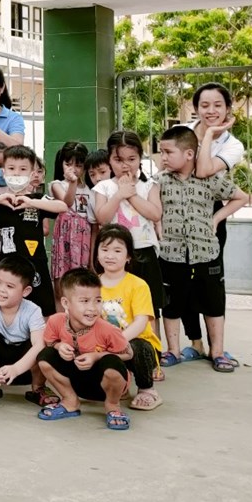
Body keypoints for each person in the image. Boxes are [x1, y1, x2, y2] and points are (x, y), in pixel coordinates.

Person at [156, 125, 247, 373]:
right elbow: (154, 208)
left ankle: (217, 351)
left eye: (168, 152)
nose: (163, 157)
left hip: (206, 251)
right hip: (171, 252)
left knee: (212, 302)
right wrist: (158, 226)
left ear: (188, 154)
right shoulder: (160, 181)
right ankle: (173, 350)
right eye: (161, 152)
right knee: (172, 303)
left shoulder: (209, 180)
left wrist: (217, 218)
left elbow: (241, 197)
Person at [184, 82, 247, 362]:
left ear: (228, 109)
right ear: (196, 108)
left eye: (218, 105)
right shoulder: (182, 132)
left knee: (211, 284)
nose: (211, 110)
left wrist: (217, 218)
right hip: (177, 212)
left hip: (209, 212)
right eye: (205, 105)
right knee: (183, 281)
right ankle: (195, 343)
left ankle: (217, 350)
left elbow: (203, 170)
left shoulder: (233, 145)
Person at [36, 267, 134, 430]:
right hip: (76, 381)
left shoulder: (108, 329)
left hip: (105, 385)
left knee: (112, 362)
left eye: (98, 300)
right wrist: (59, 346)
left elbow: (129, 354)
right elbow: (50, 342)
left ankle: (112, 406)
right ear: (66, 303)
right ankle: (70, 401)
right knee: (45, 356)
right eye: (84, 301)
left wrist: (97, 356)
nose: (93, 308)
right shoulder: (56, 321)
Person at [0, 145, 68, 317]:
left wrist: (31, 202)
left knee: (43, 310)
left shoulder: (38, 199)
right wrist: (0, 199)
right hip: (7, 265)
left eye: (23, 169)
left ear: (31, 174)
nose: (16, 174)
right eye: (11, 168)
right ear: (4, 172)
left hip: (36, 263)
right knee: (8, 309)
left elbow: (62, 206)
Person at [92, 130, 164, 321]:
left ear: (140, 158)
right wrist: (119, 194)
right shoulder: (104, 187)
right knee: (115, 304)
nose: (125, 165)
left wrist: (131, 194)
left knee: (149, 308)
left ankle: (150, 340)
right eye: (118, 160)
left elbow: (155, 214)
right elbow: (102, 218)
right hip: (114, 254)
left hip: (144, 251)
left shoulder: (149, 185)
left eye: (131, 159)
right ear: (109, 160)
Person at [0, 256, 53, 406]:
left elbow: (39, 345)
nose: (1, 289)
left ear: (25, 291)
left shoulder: (33, 310)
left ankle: (38, 387)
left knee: (43, 345)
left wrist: (16, 369)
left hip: (24, 365)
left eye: (10, 286)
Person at [96, 224, 164, 411]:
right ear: (97, 253)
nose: (110, 255)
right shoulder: (93, 284)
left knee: (136, 346)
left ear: (128, 256)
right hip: (107, 345)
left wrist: (116, 342)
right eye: (105, 249)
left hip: (138, 346)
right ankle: (120, 384)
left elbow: (141, 322)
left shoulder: (138, 285)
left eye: (117, 250)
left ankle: (147, 389)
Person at [48, 141, 93, 285]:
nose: (73, 169)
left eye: (78, 165)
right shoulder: (56, 185)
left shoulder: (89, 189)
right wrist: (73, 182)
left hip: (84, 236)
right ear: (61, 164)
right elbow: (67, 202)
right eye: (68, 164)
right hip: (65, 235)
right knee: (62, 274)